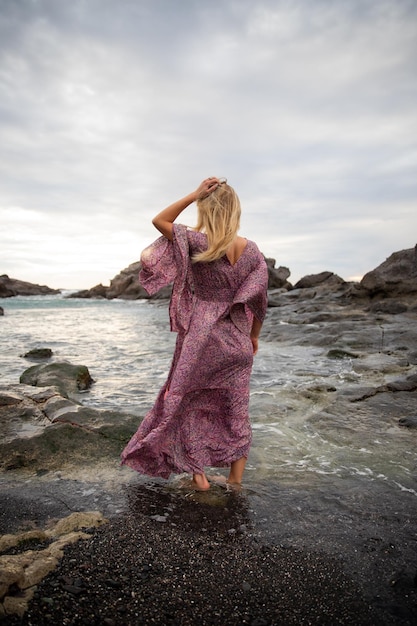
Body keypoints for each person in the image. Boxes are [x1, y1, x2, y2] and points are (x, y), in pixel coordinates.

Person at [121, 177, 268, 490]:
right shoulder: (252, 251)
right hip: (237, 340)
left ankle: (199, 477)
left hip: (200, 339)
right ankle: (235, 482)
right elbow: (259, 299)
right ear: (235, 211)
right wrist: (253, 336)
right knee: (236, 409)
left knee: (186, 405)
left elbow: (159, 220)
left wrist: (193, 194)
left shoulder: (198, 241)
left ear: (206, 207)